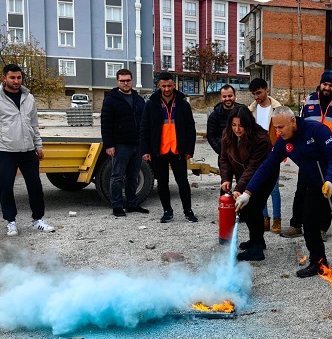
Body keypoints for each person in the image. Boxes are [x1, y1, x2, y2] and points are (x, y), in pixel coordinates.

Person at [238, 106, 332, 287]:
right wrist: (247, 193)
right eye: (275, 128)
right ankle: (318, 262)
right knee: (309, 221)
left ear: (292, 121)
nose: (278, 132)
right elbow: (267, 166)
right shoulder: (283, 141)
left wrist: (330, 180)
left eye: (281, 127)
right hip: (316, 181)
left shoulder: (317, 130)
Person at [0, 63, 55, 236]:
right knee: (6, 187)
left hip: (28, 150)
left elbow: (34, 125)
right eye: (12, 77)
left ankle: (38, 220)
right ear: (4, 78)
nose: (16, 81)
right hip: (5, 151)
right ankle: (11, 222)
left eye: (19, 77)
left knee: (35, 186)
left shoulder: (29, 97)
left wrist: (38, 146)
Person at [282, 70, 332, 239]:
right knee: (301, 190)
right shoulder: (310, 100)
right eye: (325, 84)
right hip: (309, 154)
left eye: (331, 85)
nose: (327, 87)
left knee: (326, 193)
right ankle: (296, 225)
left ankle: (322, 228)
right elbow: (300, 125)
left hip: (329, 155)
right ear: (320, 84)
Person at [219, 107, 277, 261]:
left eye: (241, 125)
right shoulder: (227, 134)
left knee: (254, 207)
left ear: (248, 124)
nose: (237, 129)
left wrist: (239, 189)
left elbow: (253, 167)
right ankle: (257, 240)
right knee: (247, 209)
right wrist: (225, 179)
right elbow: (224, 158)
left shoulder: (261, 139)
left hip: (264, 176)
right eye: (234, 125)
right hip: (243, 174)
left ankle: (257, 249)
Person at [139, 72, 197, 223]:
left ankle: (188, 211)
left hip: (178, 151)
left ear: (174, 85)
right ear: (159, 86)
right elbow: (144, 128)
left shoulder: (183, 104)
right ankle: (167, 211)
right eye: (163, 86)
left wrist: (189, 150)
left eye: (169, 86)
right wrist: (145, 150)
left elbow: (191, 128)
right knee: (162, 183)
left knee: (183, 181)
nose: (166, 89)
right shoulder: (151, 104)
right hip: (159, 151)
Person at [100, 68, 149, 217]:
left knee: (133, 176)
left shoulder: (138, 99)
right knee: (117, 176)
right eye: (122, 81)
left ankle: (132, 204)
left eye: (128, 80)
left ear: (132, 81)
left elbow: (145, 122)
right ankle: (117, 206)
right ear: (117, 81)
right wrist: (109, 145)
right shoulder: (111, 99)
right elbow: (106, 123)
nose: (125, 83)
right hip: (120, 145)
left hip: (137, 144)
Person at [248, 78, 283, 234]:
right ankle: (265, 218)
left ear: (267, 90)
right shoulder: (250, 110)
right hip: (256, 153)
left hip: (273, 152)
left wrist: (282, 150)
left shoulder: (278, 108)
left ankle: (277, 219)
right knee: (259, 187)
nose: (256, 97)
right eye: (254, 94)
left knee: (274, 189)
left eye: (259, 93)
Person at [207, 85, 242, 158]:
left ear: (235, 96)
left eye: (230, 96)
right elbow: (211, 136)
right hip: (224, 156)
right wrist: (220, 151)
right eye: (224, 96)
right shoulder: (214, 115)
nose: (227, 99)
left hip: (242, 154)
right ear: (221, 97)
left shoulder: (242, 112)